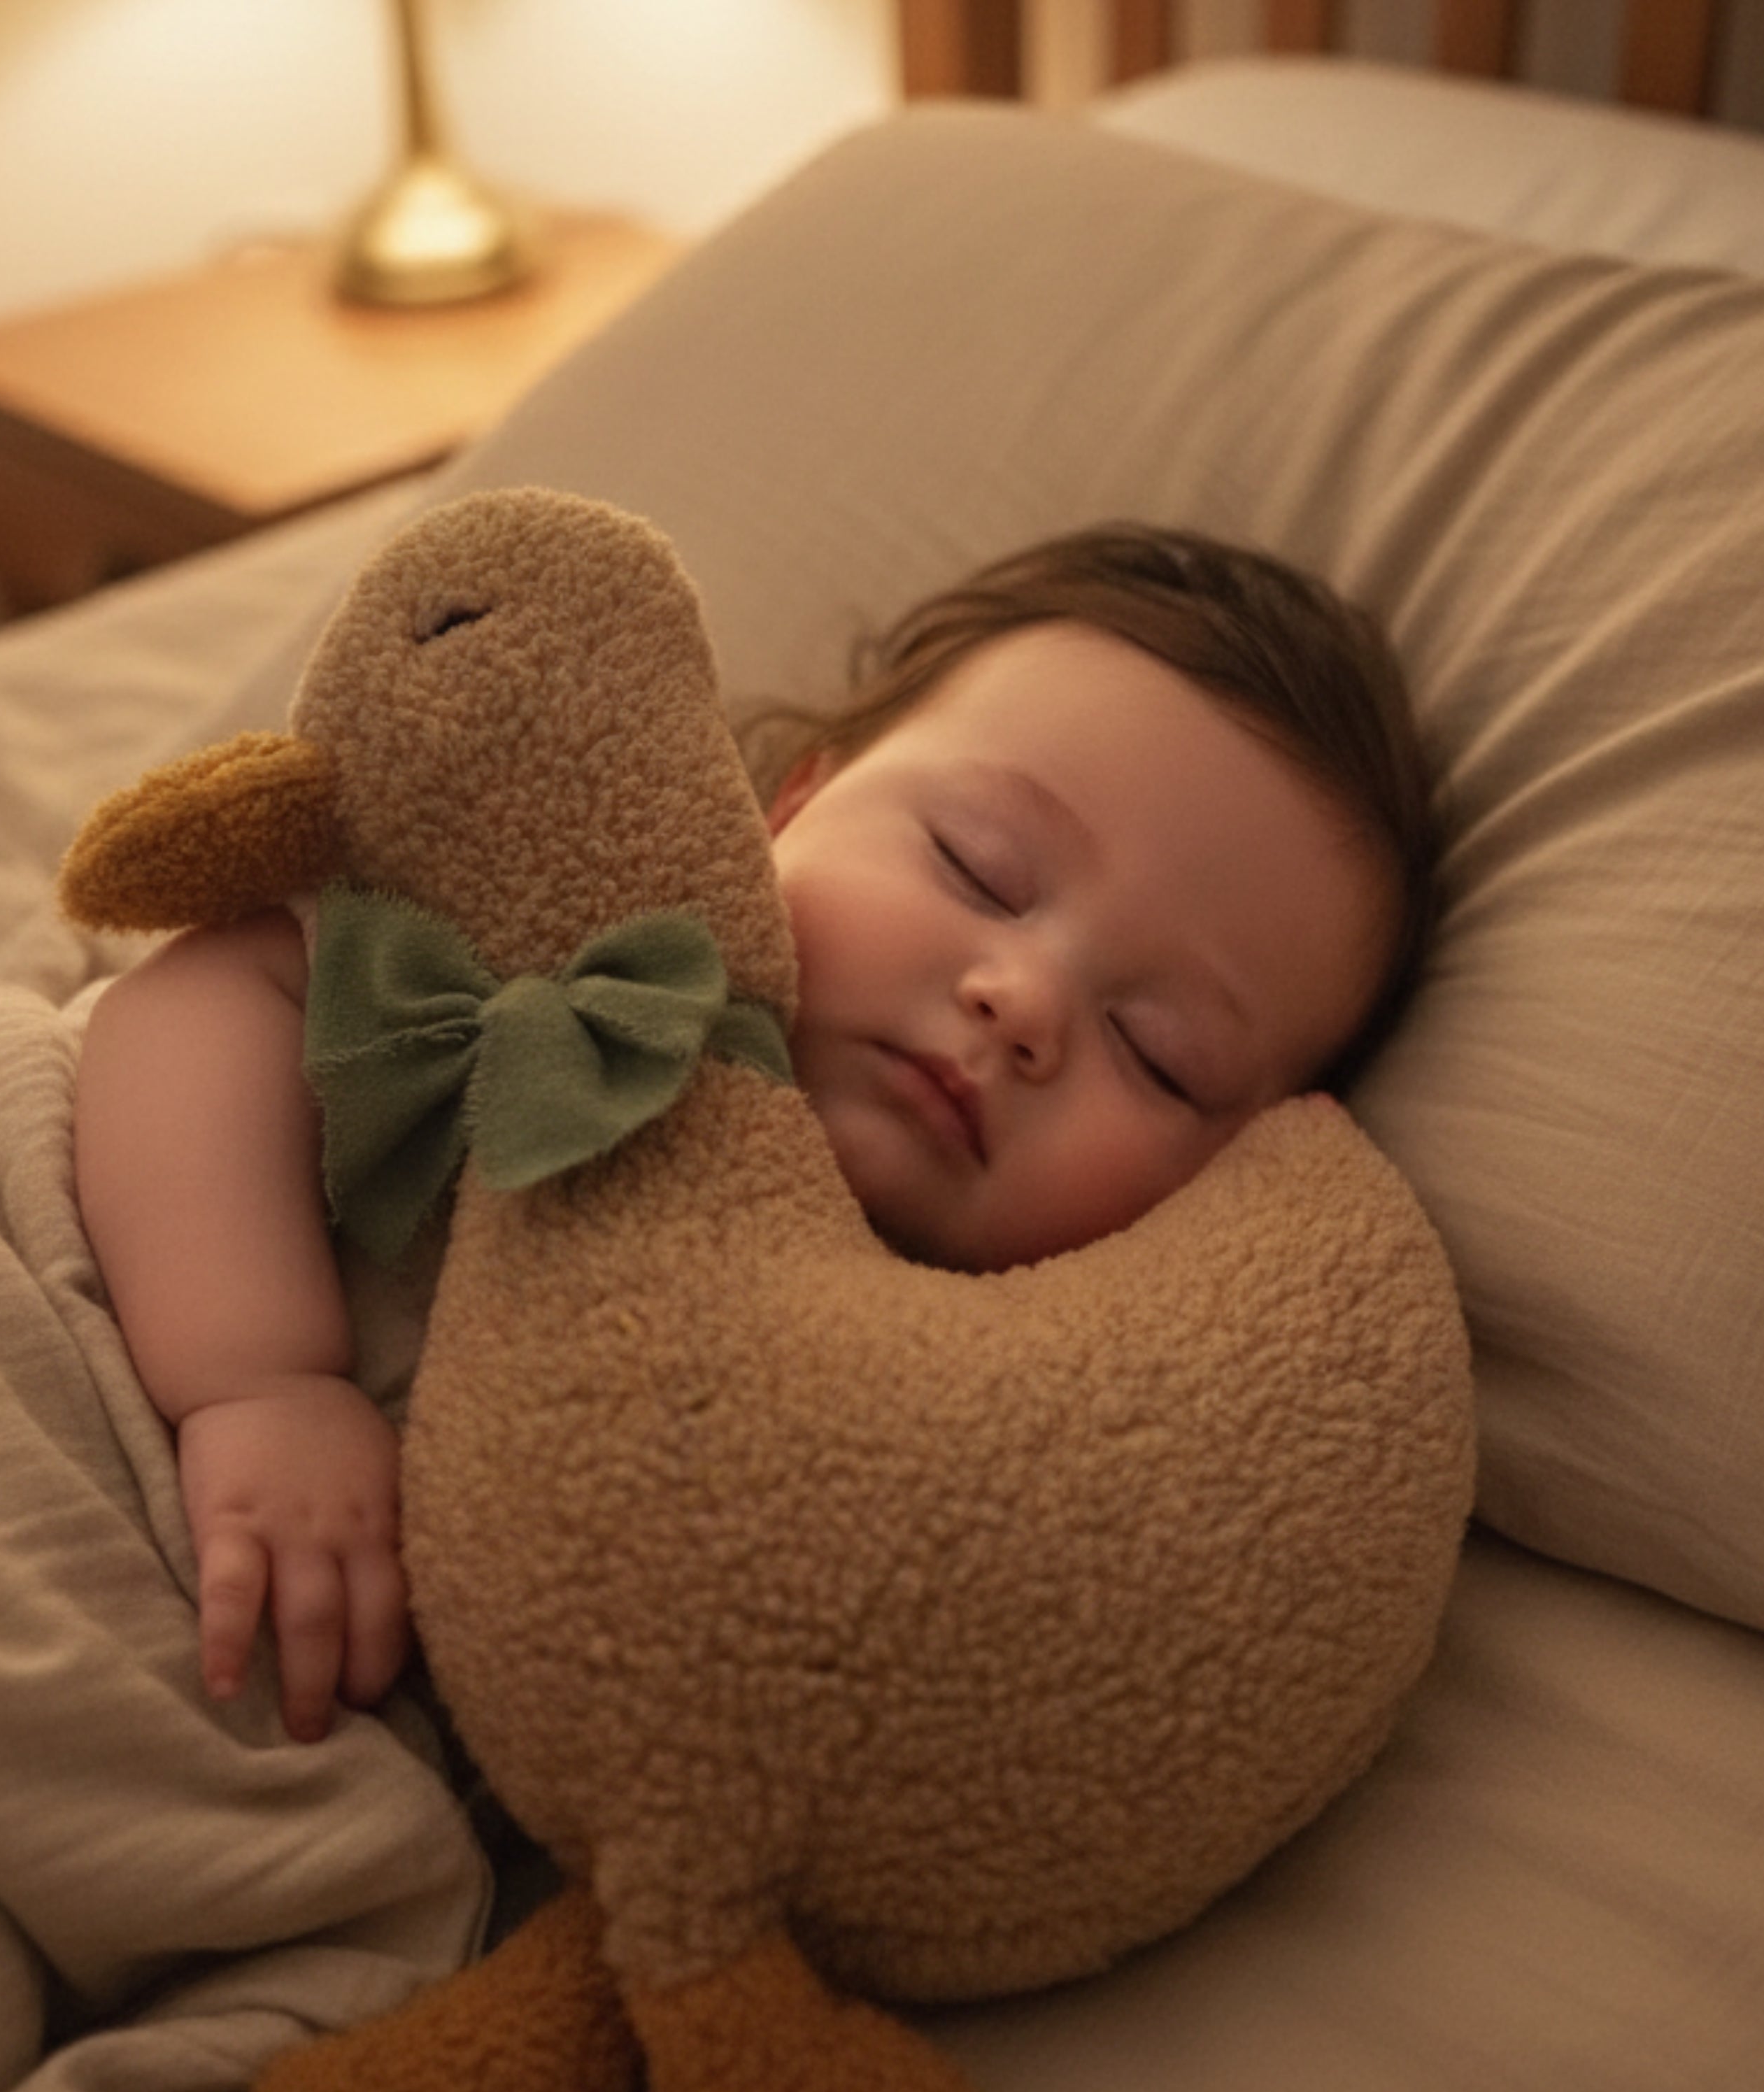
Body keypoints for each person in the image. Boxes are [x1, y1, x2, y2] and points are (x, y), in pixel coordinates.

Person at [73, 522, 1432, 1742]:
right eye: (978, 867)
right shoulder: (589, 950)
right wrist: (260, 1381)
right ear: (788, 805)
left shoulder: (980, 1379)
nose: (1020, 1002)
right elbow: (206, 996)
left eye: (1158, 1050)